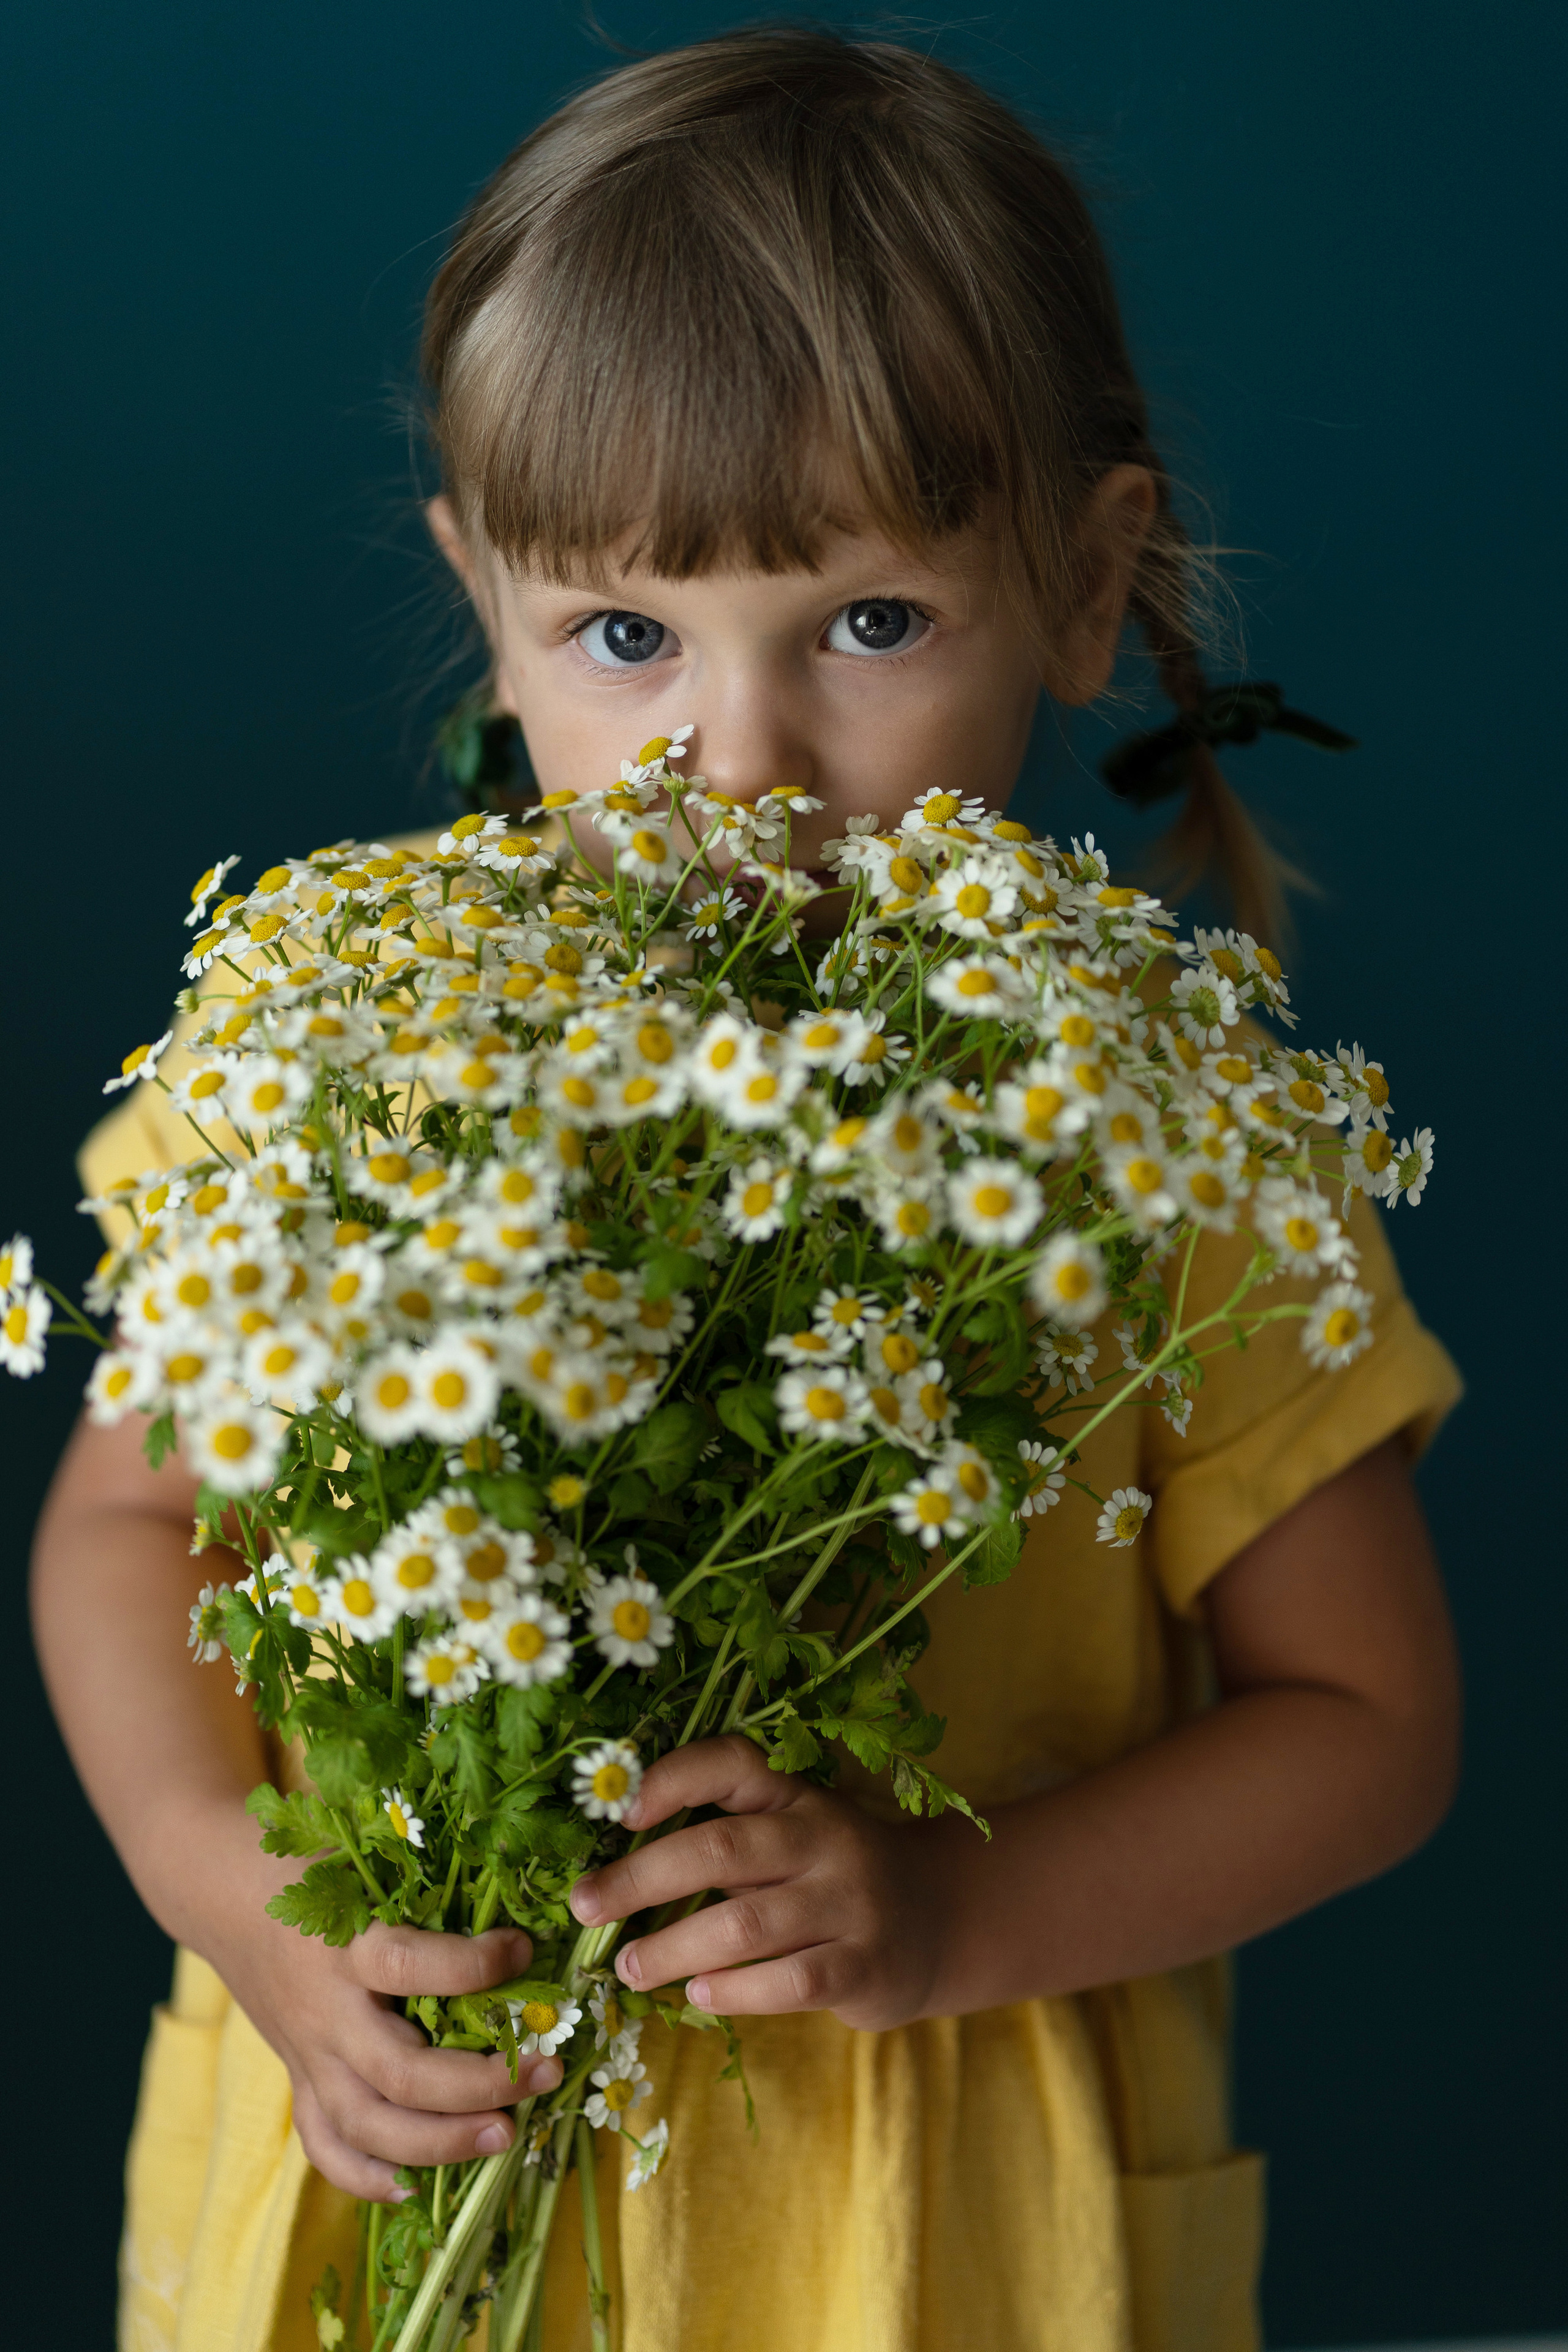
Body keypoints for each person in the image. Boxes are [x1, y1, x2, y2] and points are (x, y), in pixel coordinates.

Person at [33, 29, 1462, 2352]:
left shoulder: (1159, 1132)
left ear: (1087, 587)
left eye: (871, 626)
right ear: (484, 604)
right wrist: (242, 1906)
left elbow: (1374, 1724)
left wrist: (947, 1918)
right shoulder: (338, 1056)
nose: (742, 760)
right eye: (625, 639)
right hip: (386, 2163)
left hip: (924, 2245)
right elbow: (125, 1532)